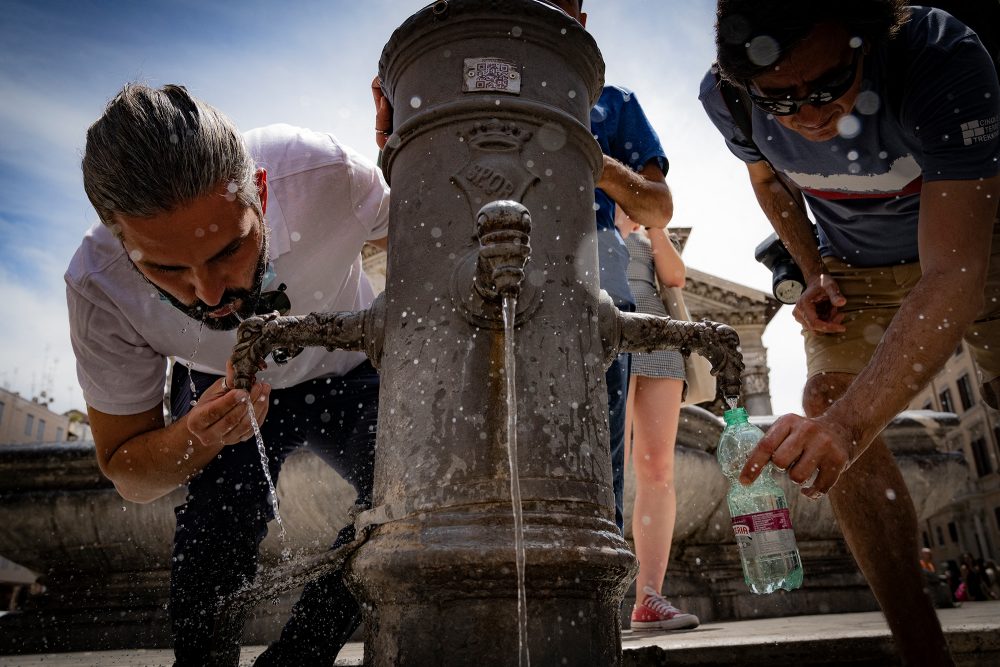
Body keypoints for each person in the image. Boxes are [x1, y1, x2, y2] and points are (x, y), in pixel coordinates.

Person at [700, 1, 999, 664]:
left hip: (971, 243)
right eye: (778, 98)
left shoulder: (937, 57)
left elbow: (954, 272)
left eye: (830, 85)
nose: (807, 114)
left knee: (846, 422)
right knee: (825, 399)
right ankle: (922, 650)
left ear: (869, 39)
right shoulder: (728, 96)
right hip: (854, 265)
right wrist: (812, 272)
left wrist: (849, 424)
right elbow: (765, 177)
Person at [68, 83, 389, 666]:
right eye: (166, 270)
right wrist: (195, 435)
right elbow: (128, 474)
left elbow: (431, 238)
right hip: (214, 386)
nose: (212, 295)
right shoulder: (98, 287)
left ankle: (300, 655)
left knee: (407, 491)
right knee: (220, 515)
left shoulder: (326, 175)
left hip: (346, 369)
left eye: (228, 250)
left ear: (261, 193)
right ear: (121, 247)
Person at [372, 0, 672, 536]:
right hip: (463, 285)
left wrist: (587, 159)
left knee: (595, 462)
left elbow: (657, 207)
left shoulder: (613, 103)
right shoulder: (459, 77)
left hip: (588, 280)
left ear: (579, 21)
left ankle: (599, 591)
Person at [617, 212, 700, 631]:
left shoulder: (649, 234)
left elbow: (675, 276)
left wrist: (654, 227)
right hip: (610, 333)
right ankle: (597, 591)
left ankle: (649, 596)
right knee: (608, 463)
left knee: (658, 470)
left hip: (660, 340)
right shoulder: (589, 211)